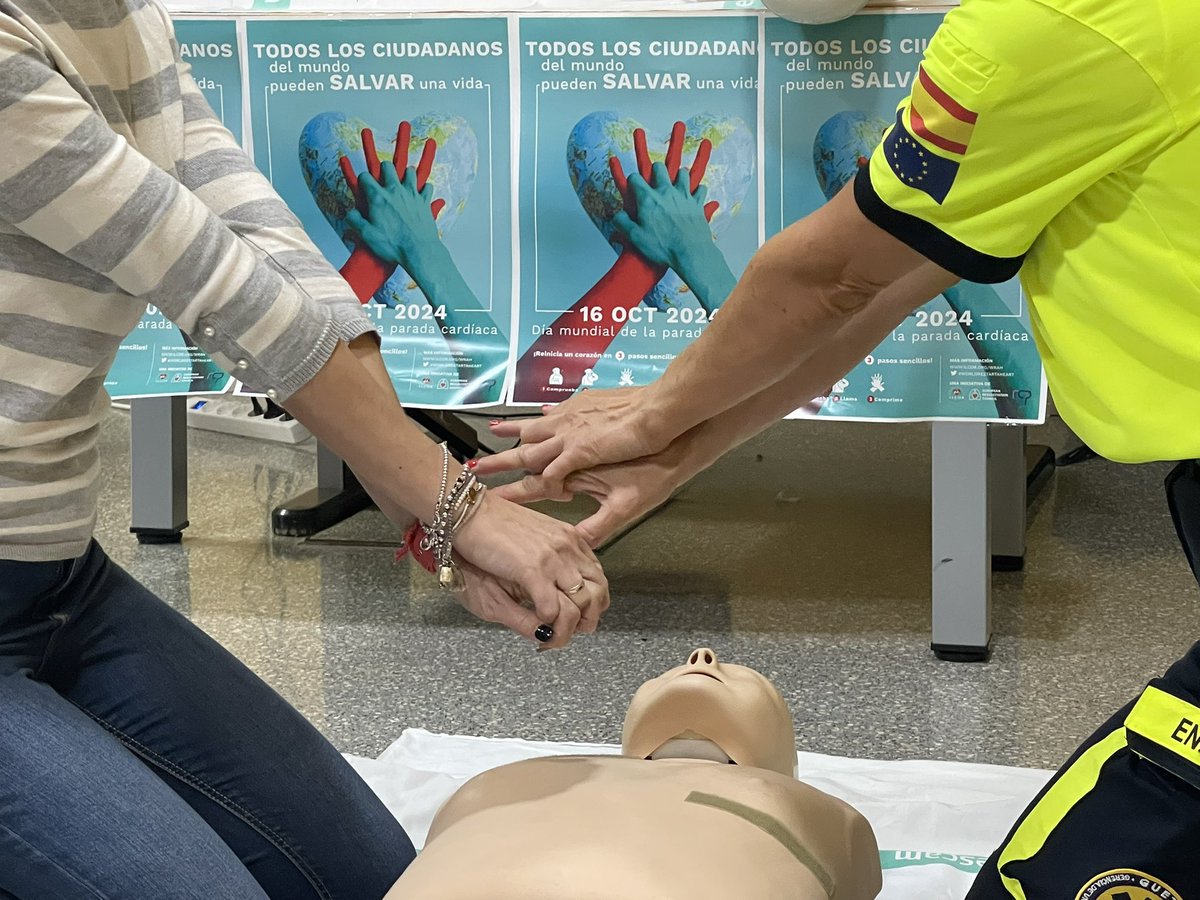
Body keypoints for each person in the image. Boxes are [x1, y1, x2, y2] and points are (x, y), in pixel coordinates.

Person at [475, 0, 1200, 895]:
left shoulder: (1056, 24)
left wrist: (658, 417)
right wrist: (678, 447)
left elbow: (837, 274)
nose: (702, 656)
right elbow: (890, 273)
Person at [0, 1, 608, 898]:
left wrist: (428, 521)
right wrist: (457, 505)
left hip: (55, 584)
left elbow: (272, 255)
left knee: (369, 878)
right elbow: (213, 281)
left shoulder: (118, 13)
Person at [384, 648, 882, 899]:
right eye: (666, 674)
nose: (700, 658)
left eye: (751, 682)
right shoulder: (507, 780)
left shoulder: (811, 811)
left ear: (789, 768)